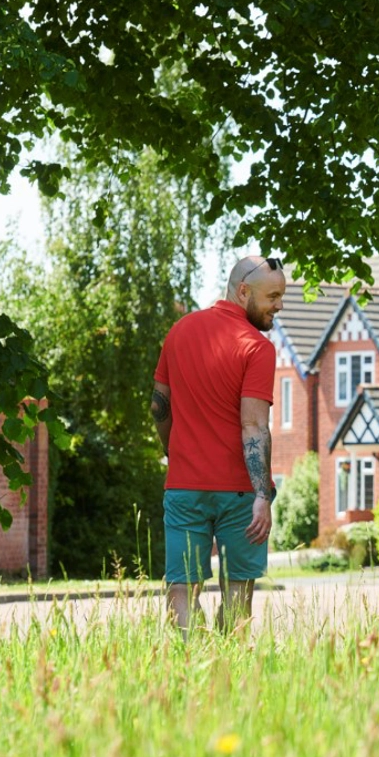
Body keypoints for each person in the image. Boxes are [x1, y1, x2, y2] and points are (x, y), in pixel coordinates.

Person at [151, 255, 286, 636]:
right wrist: (263, 494)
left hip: (184, 487)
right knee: (238, 592)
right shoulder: (256, 347)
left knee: (181, 588)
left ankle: (188, 667)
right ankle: (230, 675)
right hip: (240, 493)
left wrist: (171, 451)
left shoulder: (179, 331)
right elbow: (254, 424)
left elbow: (158, 406)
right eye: (272, 296)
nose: (279, 305)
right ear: (243, 292)